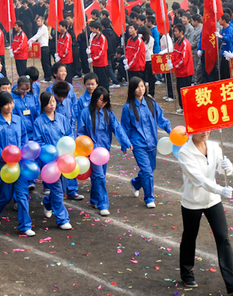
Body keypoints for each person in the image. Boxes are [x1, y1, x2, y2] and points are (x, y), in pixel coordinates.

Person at [177, 130, 233, 295]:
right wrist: (220, 189)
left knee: (223, 237)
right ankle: (186, 273)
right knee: (190, 237)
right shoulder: (185, 152)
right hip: (192, 202)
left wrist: (228, 168)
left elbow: (221, 169)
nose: (205, 132)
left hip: (213, 201)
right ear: (192, 130)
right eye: (201, 130)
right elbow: (198, 179)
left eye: (207, 129)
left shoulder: (214, 147)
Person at [77, 87, 132, 216]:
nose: (102, 103)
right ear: (95, 98)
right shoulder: (85, 113)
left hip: (104, 151)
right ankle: (103, 204)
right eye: (101, 100)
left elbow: (117, 128)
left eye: (105, 101)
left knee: (99, 176)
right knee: (100, 176)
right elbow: (80, 132)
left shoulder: (108, 113)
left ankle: (94, 199)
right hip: (91, 151)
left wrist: (126, 143)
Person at [0, 92, 34, 236]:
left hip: (18, 165)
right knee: (5, 196)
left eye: (11, 103)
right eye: (6, 104)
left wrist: (22, 152)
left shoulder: (18, 120)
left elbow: (23, 138)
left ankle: (25, 226)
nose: (10, 106)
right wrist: (4, 155)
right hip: (3, 167)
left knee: (22, 195)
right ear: (0, 106)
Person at [121, 77, 171, 208]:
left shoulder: (151, 102)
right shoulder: (128, 108)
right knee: (147, 171)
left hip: (152, 142)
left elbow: (161, 119)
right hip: (138, 144)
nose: (140, 89)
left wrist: (170, 131)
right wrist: (124, 143)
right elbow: (125, 127)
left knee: (150, 169)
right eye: (137, 87)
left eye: (142, 86)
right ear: (132, 89)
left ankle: (136, 183)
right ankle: (149, 198)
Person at [33, 91, 73, 230]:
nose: (52, 104)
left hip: (64, 160)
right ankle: (62, 219)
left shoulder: (62, 118)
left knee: (61, 189)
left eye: (53, 101)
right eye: (49, 102)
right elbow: (38, 141)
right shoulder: (39, 122)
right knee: (57, 191)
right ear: (43, 104)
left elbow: (69, 134)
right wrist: (50, 152)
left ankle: (48, 202)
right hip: (50, 163)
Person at [171, 24, 194, 113]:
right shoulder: (177, 43)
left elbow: (183, 59)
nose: (175, 33)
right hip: (179, 71)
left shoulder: (185, 43)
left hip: (185, 71)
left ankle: (187, 107)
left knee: (185, 90)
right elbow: (174, 54)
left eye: (176, 31)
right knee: (179, 89)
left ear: (181, 32)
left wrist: (174, 65)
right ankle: (182, 106)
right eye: (174, 31)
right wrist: (172, 62)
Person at [28, 16, 52, 82]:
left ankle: (48, 77)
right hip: (41, 47)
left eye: (39, 21)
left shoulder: (44, 28)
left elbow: (37, 35)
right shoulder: (40, 28)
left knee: (46, 63)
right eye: (37, 21)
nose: (38, 23)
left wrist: (30, 40)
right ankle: (47, 75)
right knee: (44, 62)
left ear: (43, 21)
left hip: (44, 47)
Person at [88, 20, 109, 89]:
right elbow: (93, 48)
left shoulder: (102, 38)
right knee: (97, 79)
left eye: (93, 28)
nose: (92, 30)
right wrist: (89, 51)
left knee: (103, 80)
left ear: (98, 29)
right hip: (95, 63)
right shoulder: (94, 37)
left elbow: (101, 52)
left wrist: (93, 58)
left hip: (101, 63)